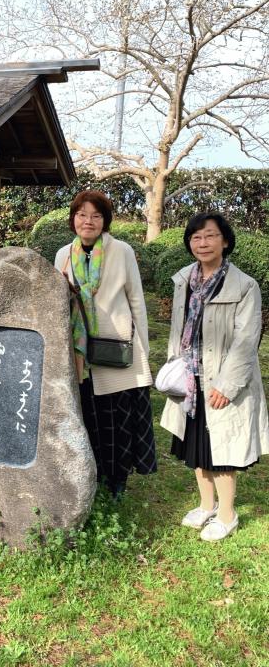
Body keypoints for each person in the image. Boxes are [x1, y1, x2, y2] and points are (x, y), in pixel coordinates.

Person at [160, 212, 269, 541]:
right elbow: (177, 330)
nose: (202, 243)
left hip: (221, 380)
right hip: (191, 379)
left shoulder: (244, 286)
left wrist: (226, 385)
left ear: (225, 241)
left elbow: (246, 340)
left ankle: (227, 514)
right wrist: (174, 366)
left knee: (221, 450)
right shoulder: (185, 280)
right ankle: (207, 505)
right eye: (196, 237)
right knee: (196, 446)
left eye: (210, 236)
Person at [55, 190, 156, 497]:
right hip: (80, 351)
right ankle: (95, 475)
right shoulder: (63, 255)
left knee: (118, 417)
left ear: (105, 221)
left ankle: (118, 479)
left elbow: (136, 300)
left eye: (96, 216)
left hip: (116, 346)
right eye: (82, 215)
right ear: (73, 219)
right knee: (90, 414)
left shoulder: (121, 251)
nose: (88, 221)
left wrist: (143, 347)